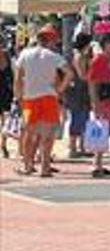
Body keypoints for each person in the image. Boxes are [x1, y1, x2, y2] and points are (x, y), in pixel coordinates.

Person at [14, 24, 74, 177]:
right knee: (48, 134)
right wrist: (59, 89)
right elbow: (69, 74)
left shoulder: (25, 54)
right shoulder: (54, 56)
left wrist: (19, 96)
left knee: (29, 133)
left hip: (29, 99)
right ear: (50, 40)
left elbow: (18, 77)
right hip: (49, 97)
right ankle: (45, 167)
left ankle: (28, 166)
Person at [87, 34, 110, 178]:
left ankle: (99, 163)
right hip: (103, 101)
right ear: (106, 44)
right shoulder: (99, 59)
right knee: (101, 131)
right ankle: (97, 164)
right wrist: (95, 103)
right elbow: (92, 81)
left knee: (106, 131)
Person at [65, 33, 92, 159]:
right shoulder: (79, 56)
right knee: (78, 117)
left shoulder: (77, 55)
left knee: (83, 117)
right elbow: (82, 75)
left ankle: (81, 146)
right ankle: (73, 148)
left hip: (78, 90)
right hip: (78, 90)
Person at [1, 38, 15, 159]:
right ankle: (3, 145)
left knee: (6, 120)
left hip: (6, 93)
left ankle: (3, 145)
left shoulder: (8, 57)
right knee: (5, 120)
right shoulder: (7, 57)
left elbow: (13, 76)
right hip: (6, 92)